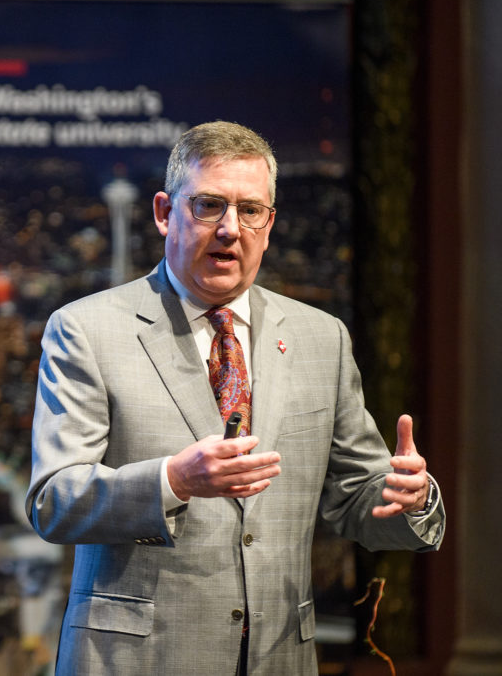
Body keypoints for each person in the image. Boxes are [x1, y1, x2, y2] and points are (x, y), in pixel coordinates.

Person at [25, 121, 445, 675]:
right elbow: (54, 499)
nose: (230, 229)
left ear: (269, 224)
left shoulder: (322, 338)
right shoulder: (86, 330)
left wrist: (409, 499)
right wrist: (173, 481)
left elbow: (356, 501)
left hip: (279, 659)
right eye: (208, 206)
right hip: (136, 660)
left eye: (250, 210)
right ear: (163, 213)